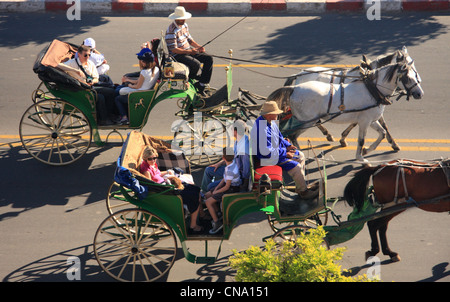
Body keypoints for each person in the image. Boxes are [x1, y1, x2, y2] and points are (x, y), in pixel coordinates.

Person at [250, 101, 318, 199]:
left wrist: (288, 146)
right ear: (269, 115)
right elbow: (267, 152)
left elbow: (279, 137)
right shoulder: (262, 129)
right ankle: (303, 192)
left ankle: (300, 187)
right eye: (276, 113)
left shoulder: (270, 122)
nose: (278, 114)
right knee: (297, 167)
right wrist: (285, 154)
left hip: (276, 152)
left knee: (301, 155)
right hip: (266, 158)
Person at [140, 146, 205, 234]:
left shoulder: (152, 165)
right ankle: (193, 225)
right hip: (165, 190)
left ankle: (201, 215)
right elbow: (152, 185)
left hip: (166, 184)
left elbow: (158, 174)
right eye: (150, 159)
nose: (153, 160)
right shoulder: (146, 171)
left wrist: (168, 172)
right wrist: (169, 184)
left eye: (155, 158)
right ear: (145, 158)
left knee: (196, 189)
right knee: (193, 196)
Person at [57, 44, 116, 125]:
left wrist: (92, 81)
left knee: (112, 92)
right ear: (79, 54)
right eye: (85, 55)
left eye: (89, 55)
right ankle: (102, 120)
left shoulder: (90, 64)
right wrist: (75, 70)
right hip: (80, 89)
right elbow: (58, 65)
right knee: (100, 97)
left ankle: (110, 114)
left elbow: (96, 78)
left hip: (90, 86)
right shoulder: (72, 63)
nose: (87, 57)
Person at [165, 6, 213, 96]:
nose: (183, 20)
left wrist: (199, 47)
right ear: (176, 19)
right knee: (196, 64)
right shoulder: (171, 31)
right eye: (181, 19)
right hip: (177, 55)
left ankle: (202, 83)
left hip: (188, 51)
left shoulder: (184, 25)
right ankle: (191, 79)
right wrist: (190, 52)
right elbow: (174, 49)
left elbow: (190, 39)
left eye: (184, 19)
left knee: (208, 58)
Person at [201, 120, 250, 193]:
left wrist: (243, 187)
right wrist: (219, 164)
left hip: (235, 174)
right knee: (208, 170)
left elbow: (246, 171)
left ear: (235, 131)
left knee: (210, 186)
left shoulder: (244, 150)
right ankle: (204, 193)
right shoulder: (240, 139)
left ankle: (208, 193)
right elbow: (231, 157)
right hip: (231, 166)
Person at [114, 48, 160, 124]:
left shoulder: (144, 72)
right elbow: (140, 81)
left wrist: (129, 84)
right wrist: (128, 80)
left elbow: (137, 86)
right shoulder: (156, 69)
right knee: (119, 88)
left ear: (144, 63)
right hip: (144, 90)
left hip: (138, 93)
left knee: (117, 97)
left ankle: (124, 117)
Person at [204, 147, 241, 234]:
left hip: (231, 189)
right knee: (207, 195)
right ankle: (217, 213)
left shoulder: (230, 170)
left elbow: (227, 187)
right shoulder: (231, 165)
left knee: (207, 202)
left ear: (223, 158)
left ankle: (217, 223)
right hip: (227, 185)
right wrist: (216, 188)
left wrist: (216, 192)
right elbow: (224, 179)